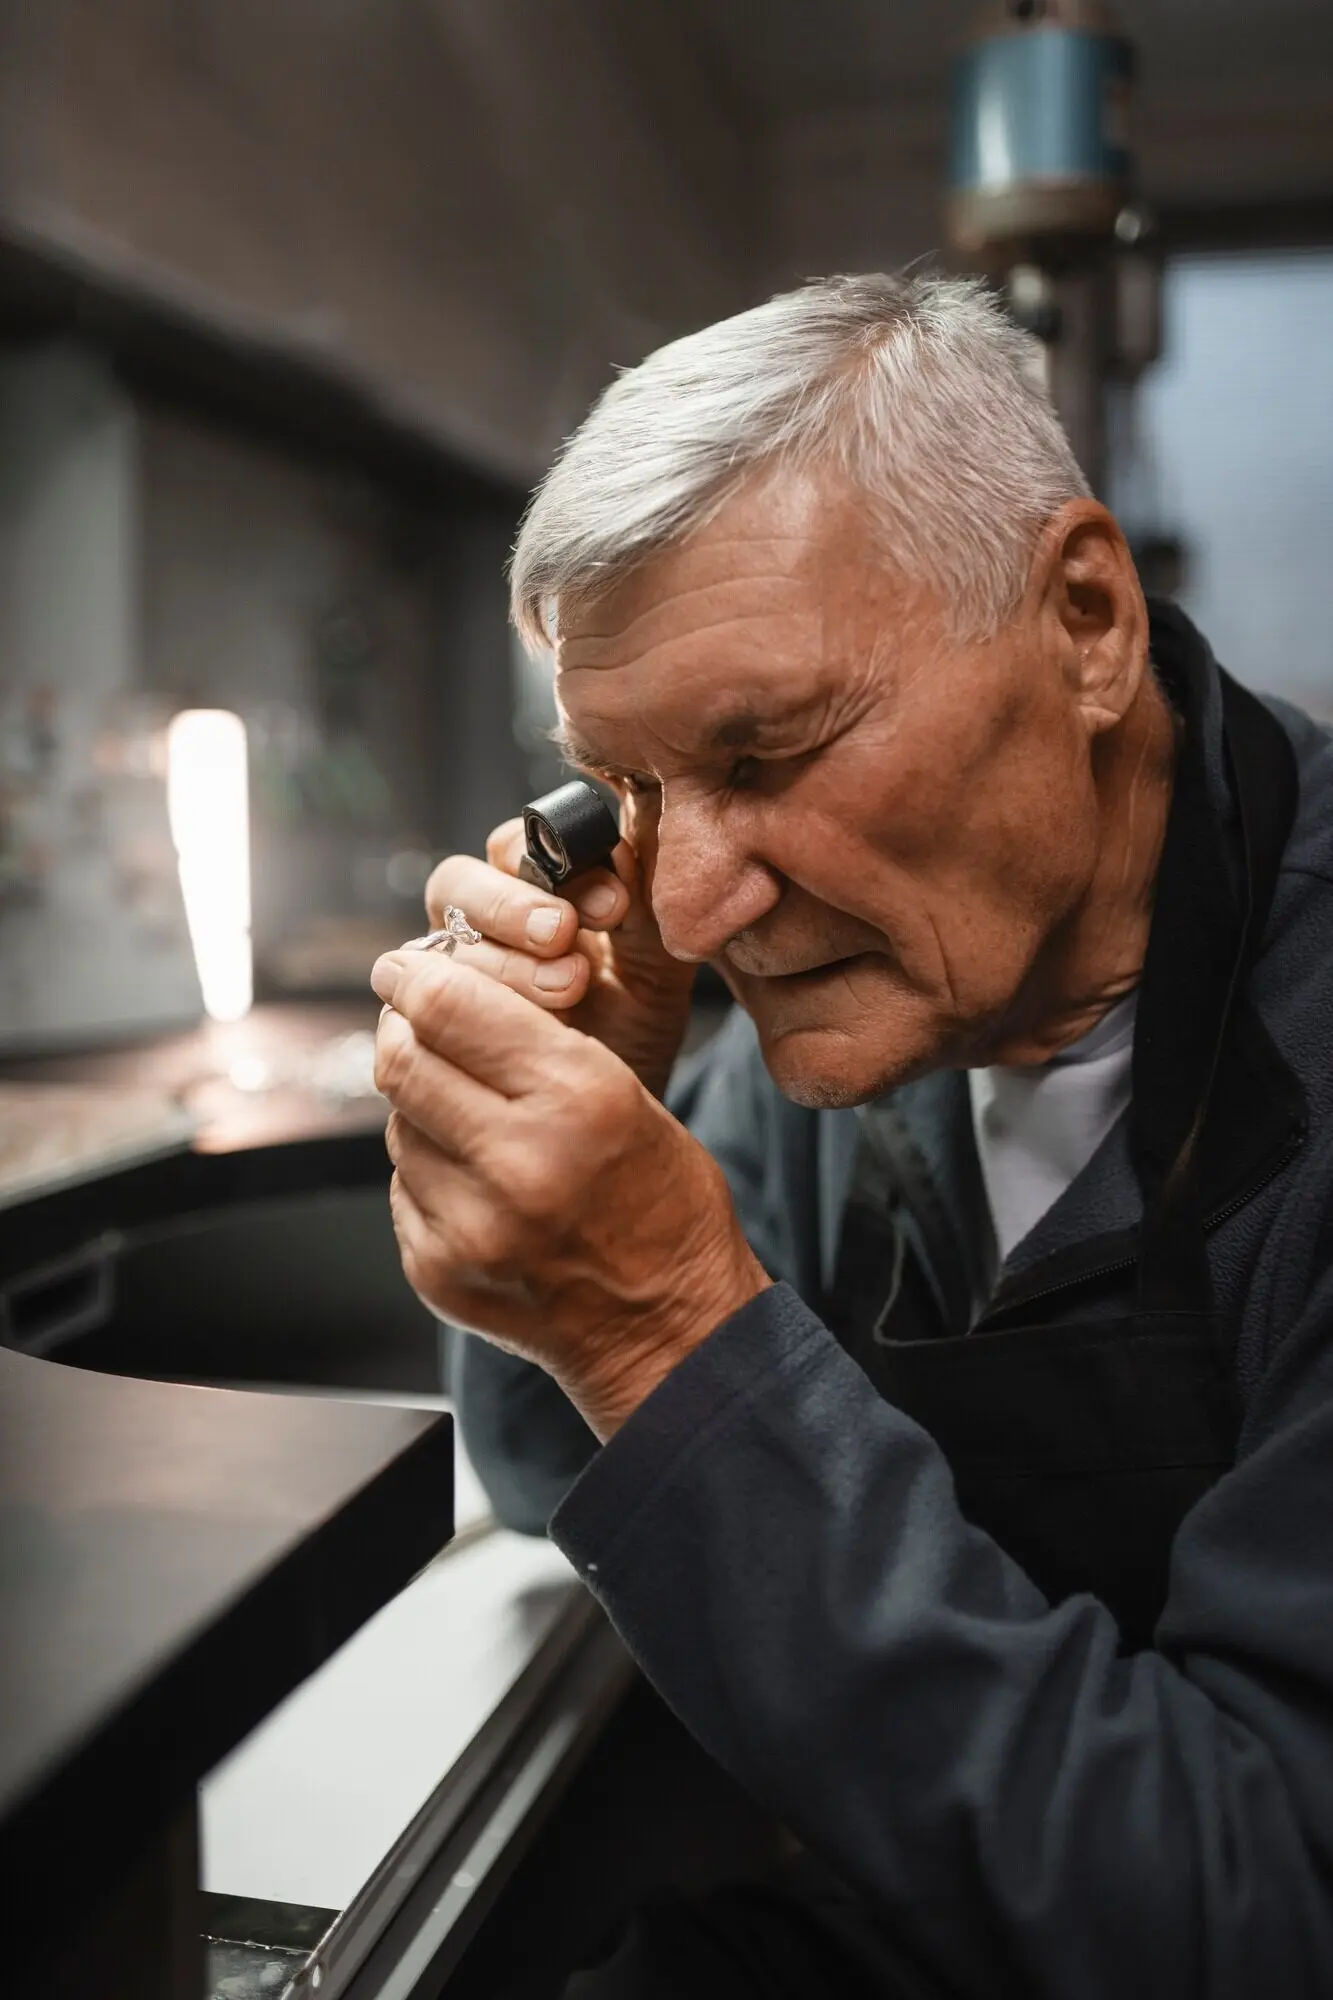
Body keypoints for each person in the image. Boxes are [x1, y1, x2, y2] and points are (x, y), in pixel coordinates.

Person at [370, 273, 1333, 1996]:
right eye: (634, 790)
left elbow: (1266, 1912)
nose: (689, 899)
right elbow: (546, 1473)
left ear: (1089, 621)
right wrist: (593, 1129)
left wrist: (662, 1325)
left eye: (767, 751)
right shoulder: (873, 1019)